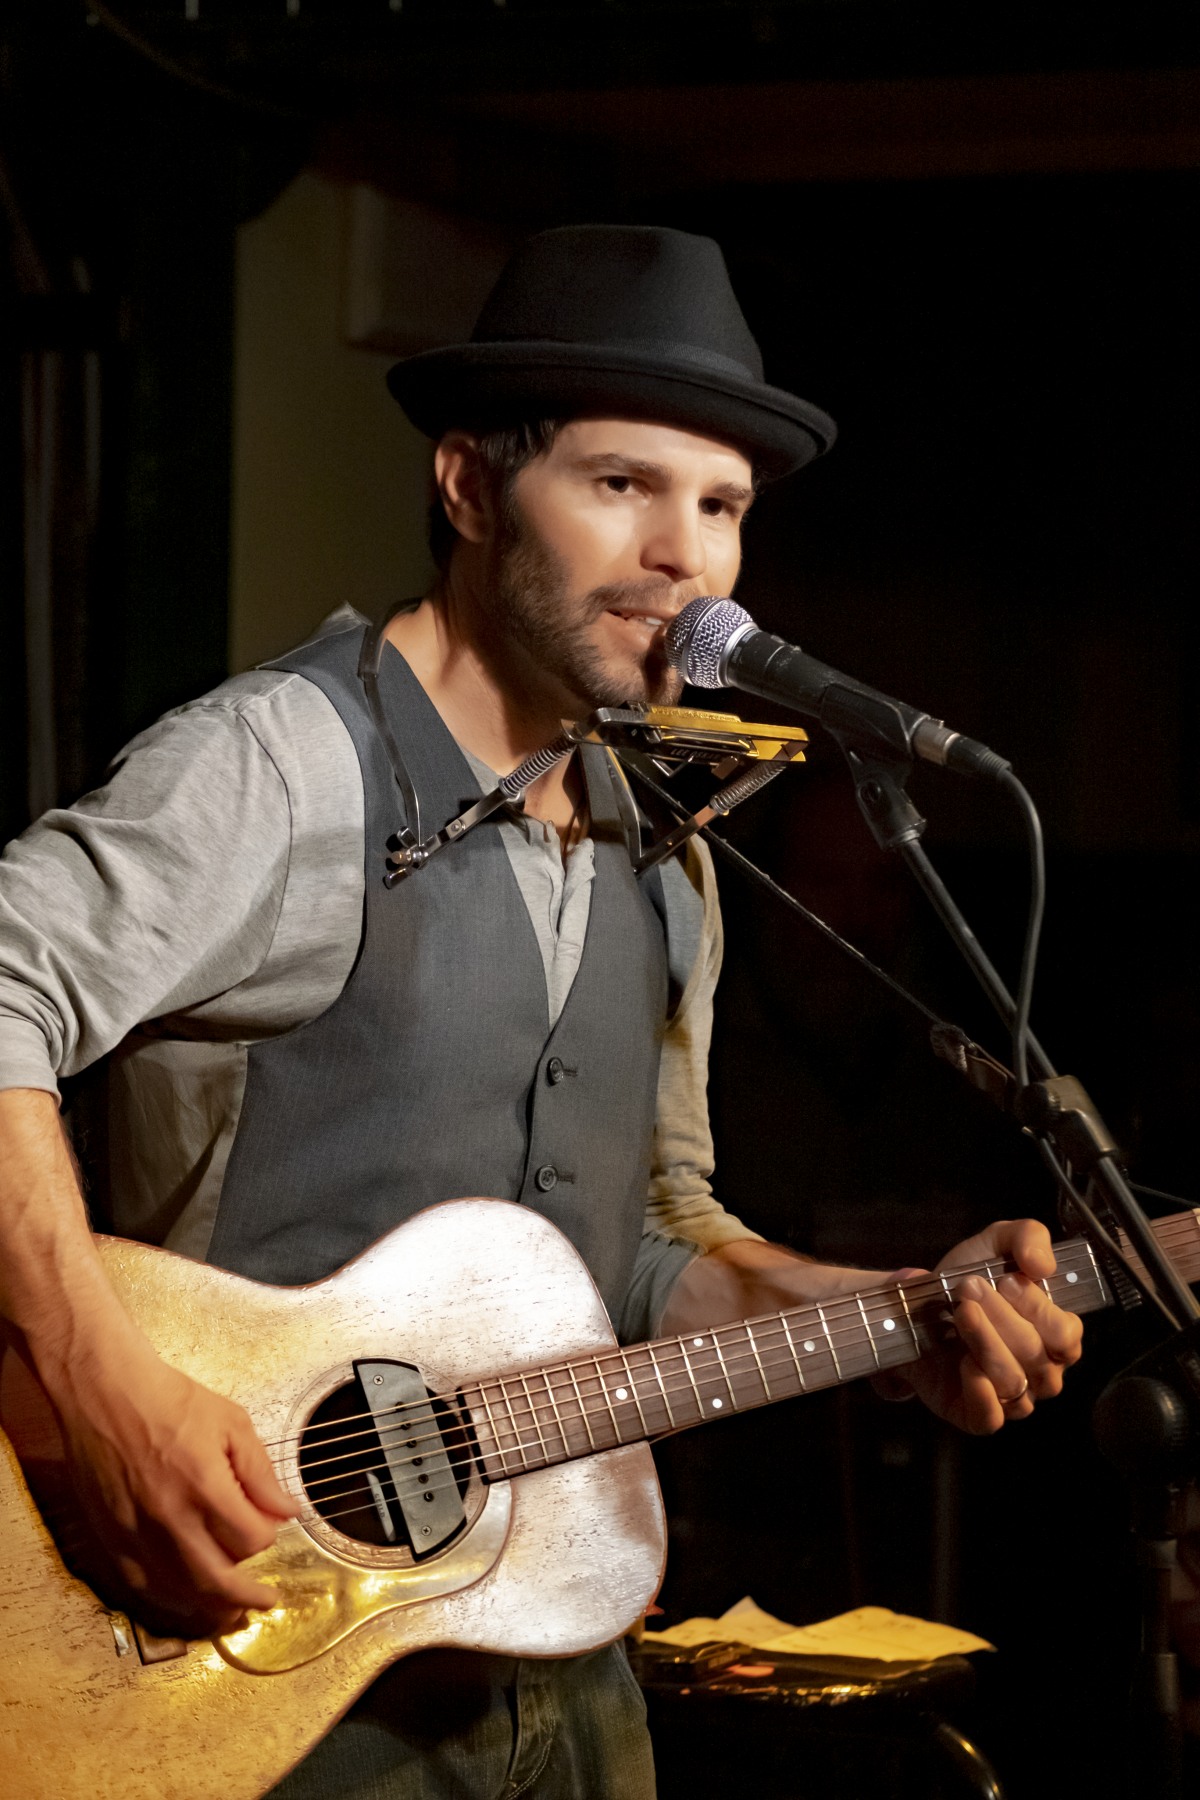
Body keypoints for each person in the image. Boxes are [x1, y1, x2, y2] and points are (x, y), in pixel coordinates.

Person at [0, 224, 1082, 1797]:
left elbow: (639, 1245)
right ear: (467, 487)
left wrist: (895, 1322)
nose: (684, 556)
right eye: (623, 483)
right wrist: (103, 1386)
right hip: (241, 1670)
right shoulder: (285, 768)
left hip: (558, 1689)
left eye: (721, 507)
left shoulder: (670, 854)